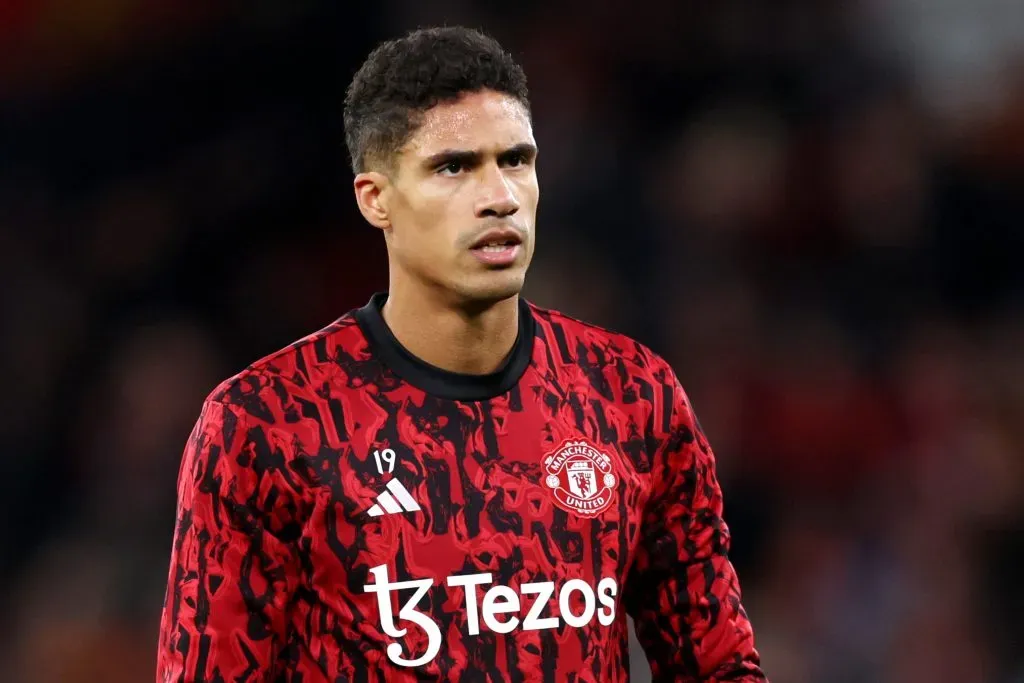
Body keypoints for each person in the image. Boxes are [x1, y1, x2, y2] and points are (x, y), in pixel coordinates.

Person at [156, 26, 767, 682]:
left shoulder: (629, 394)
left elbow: (718, 665)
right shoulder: (267, 424)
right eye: (454, 166)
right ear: (377, 199)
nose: (499, 195)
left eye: (516, 160)